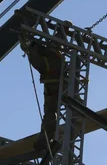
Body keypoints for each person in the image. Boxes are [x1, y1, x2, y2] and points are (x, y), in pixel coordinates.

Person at [20, 20, 72, 150]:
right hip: (60, 84)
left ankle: (44, 141)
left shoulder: (41, 56)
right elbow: (56, 43)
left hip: (54, 85)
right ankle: (45, 140)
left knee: (50, 112)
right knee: (55, 111)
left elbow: (29, 48)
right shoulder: (49, 54)